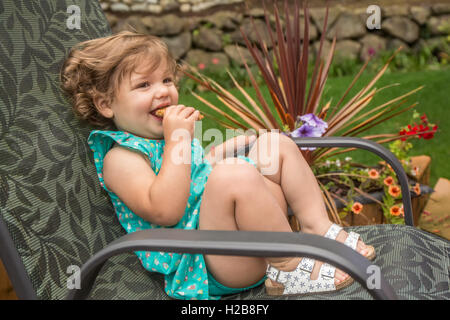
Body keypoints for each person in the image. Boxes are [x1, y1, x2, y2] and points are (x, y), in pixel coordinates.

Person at [60, 31, 375, 300]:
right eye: (144, 85)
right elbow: (166, 210)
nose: (163, 91)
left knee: (274, 144)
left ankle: (317, 229)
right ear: (106, 104)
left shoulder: (165, 141)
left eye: (167, 79)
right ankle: (288, 267)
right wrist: (179, 141)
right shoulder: (121, 158)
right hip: (209, 262)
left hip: (240, 236)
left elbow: (198, 175)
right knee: (233, 174)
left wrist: (222, 149)